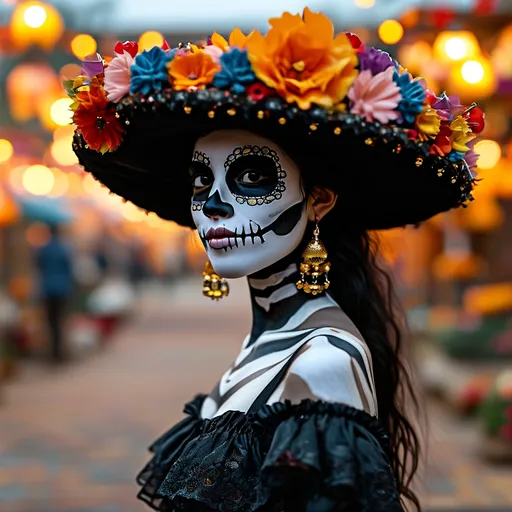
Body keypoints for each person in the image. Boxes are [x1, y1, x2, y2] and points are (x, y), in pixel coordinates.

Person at [68, 7, 484, 511]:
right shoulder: (271, 337)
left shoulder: (323, 359)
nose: (214, 203)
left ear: (318, 202)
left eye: (249, 178)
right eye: (202, 181)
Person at [35, 224, 74, 362]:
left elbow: (38, 266)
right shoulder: (65, 249)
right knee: (61, 320)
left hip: (48, 289)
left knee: (50, 322)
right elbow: (70, 269)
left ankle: (52, 352)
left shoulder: (43, 249)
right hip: (62, 289)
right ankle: (60, 352)